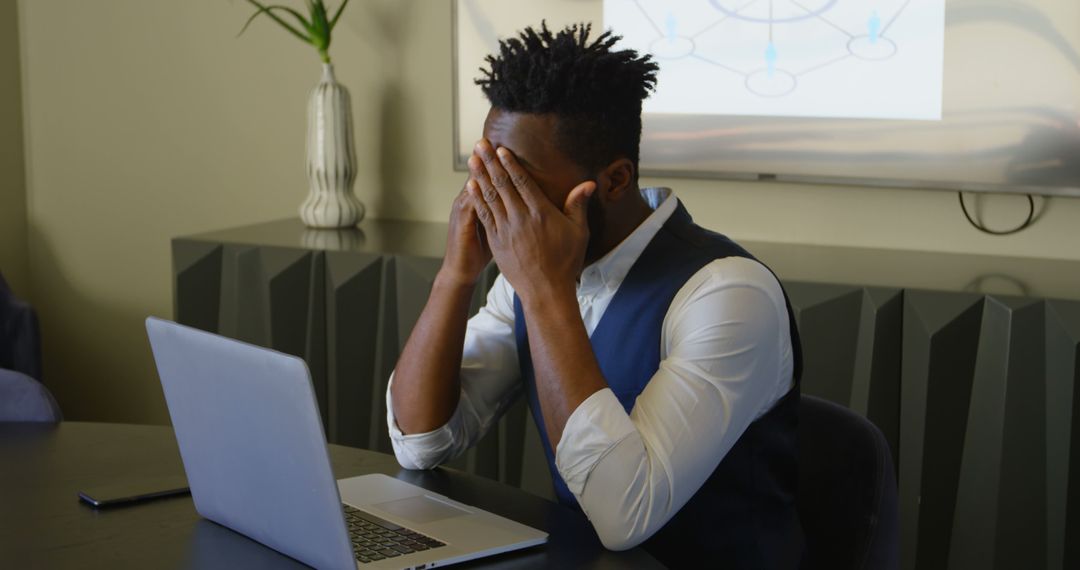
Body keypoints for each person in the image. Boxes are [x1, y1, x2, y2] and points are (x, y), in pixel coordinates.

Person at [386, 22, 804, 568]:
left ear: (614, 180)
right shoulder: (529, 278)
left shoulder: (727, 294)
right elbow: (421, 442)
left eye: (517, 183)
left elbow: (622, 516)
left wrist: (542, 290)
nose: (494, 202)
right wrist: (456, 275)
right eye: (487, 171)